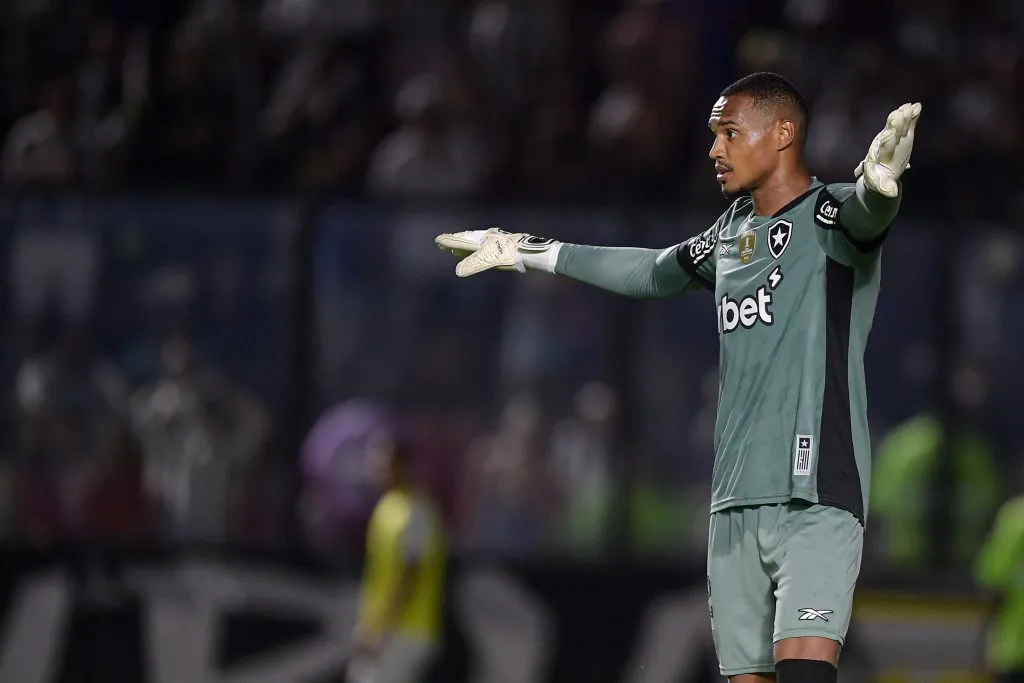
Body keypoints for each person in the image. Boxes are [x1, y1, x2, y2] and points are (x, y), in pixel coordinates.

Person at [435, 72, 922, 683]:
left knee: (804, 672)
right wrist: (526, 250)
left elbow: (865, 215)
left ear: (781, 134)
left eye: (729, 133)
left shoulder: (828, 217)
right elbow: (651, 273)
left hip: (816, 494)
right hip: (733, 500)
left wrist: (881, 189)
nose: (714, 150)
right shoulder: (731, 233)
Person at [348, 430, 446, 683]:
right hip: (384, 628)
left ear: (404, 464)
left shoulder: (416, 512)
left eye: (385, 461)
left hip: (406, 631)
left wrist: (383, 629)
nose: (378, 468)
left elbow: (409, 575)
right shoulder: (387, 506)